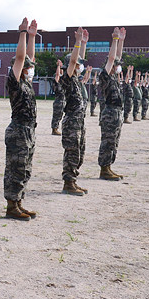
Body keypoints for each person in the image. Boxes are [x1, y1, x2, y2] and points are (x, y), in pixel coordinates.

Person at [3, 17, 38, 220]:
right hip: (18, 130)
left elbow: (29, 56)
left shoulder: (26, 82)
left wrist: (32, 36)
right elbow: (21, 58)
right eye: (28, 66)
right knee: (15, 169)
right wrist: (23, 33)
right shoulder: (14, 82)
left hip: (28, 130)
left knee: (24, 168)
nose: (30, 68)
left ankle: (18, 202)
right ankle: (11, 205)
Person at [61, 28, 89, 196]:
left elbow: (79, 60)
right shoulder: (67, 78)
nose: (79, 67)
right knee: (72, 152)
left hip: (79, 122)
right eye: (77, 65)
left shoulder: (77, 80)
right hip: (71, 122)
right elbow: (73, 62)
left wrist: (83, 44)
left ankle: (73, 181)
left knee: (79, 153)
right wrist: (77, 42)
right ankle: (68, 183)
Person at [97, 27, 126, 180]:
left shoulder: (114, 77)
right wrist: (114, 40)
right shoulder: (105, 76)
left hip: (116, 113)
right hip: (109, 113)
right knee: (108, 142)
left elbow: (117, 57)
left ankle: (109, 166)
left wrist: (121, 41)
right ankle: (104, 169)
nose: (117, 65)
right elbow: (111, 59)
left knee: (114, 142)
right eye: (116, 65)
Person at [51, 59, 64, 135]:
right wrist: (58, 66)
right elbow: (57, 75)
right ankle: (54, 129)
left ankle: (56, 128)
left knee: (60, 116)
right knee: (56, 116)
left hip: (63, 101)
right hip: (58, 101)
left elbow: (61, 74)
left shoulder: (61, 83)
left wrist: (61, 67)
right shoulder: (56, 83)